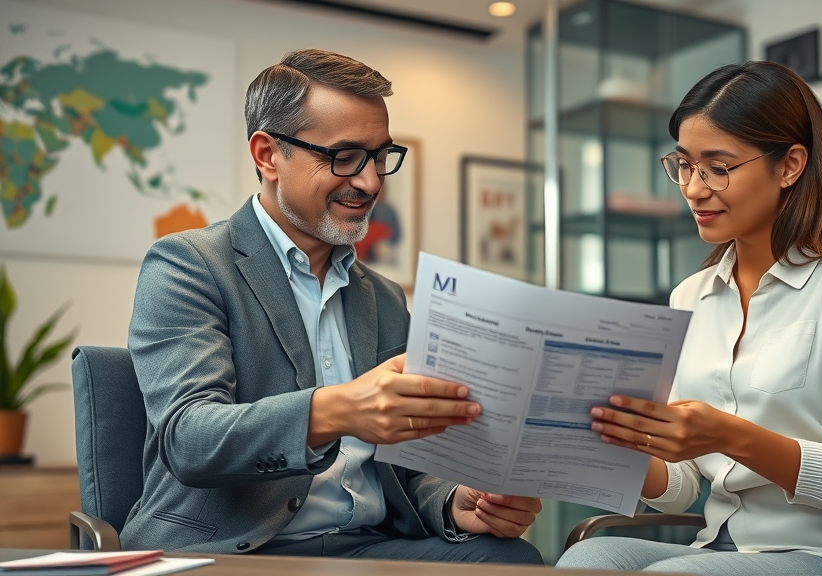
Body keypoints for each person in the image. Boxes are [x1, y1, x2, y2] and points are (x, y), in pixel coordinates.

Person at [121, 49, 543, 565]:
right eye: (344, 157)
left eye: (379, 156)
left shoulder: (383, 297)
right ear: (267, 155)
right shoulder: (188, 265)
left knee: (511, 559)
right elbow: (189, 437)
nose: (369, 182)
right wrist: (338, 409)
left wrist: (457, 502)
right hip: (240, 551)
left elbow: (409, 466)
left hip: (366, 546)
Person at [557, 61, 822, 576]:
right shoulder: (691, 296)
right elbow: (683, 487)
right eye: (683, 164)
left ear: (790, 165)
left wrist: (727, 434)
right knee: (588, 557)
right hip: (720, 547)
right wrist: (619, 444)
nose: (693, 188)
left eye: (718, 167)